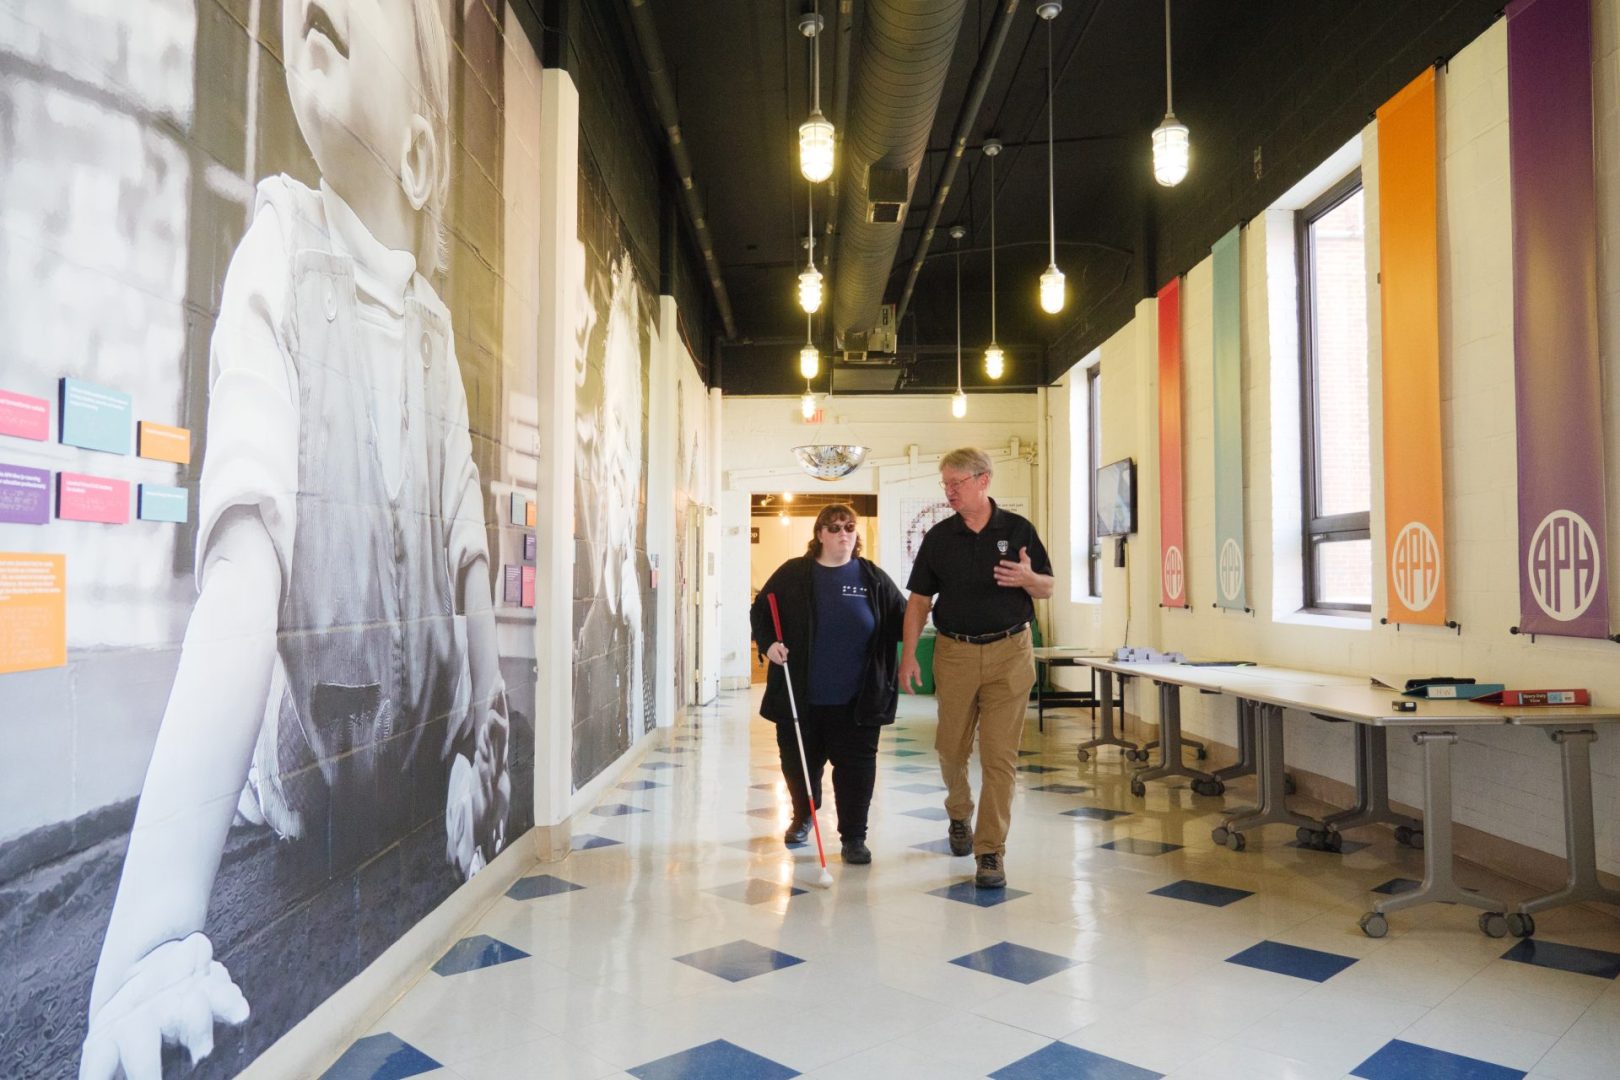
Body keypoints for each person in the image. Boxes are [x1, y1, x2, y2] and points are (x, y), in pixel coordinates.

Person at [81, 3, 510, 1075]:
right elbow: (243, 560)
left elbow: (466, 530)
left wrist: (481, 737)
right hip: (311, 765)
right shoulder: (278, 247)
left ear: (417, 153)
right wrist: (153, 937)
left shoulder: (435, 329)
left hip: (415, 753)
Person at [899, 449, 1053, 889]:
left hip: (1010, 652)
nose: (949, 491)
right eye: (945, 483)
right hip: (955, 652)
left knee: (1000, 756)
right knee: (950, 747)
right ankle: (959, 813)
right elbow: (918, 602)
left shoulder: (1018, 530)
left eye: (957, 483)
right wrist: (909, 655)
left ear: (983, 480)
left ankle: (990, 852)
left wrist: (1028, 580)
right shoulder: (939, 537)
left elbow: (1047, 585)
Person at [750, 504, 907, 864]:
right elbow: (761, 609)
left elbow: (901, 618)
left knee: (857, 770)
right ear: (819, 534)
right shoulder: (794, 573)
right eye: (834, 528)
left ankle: (854, 837)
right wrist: (769, 643)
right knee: (799, 765)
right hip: (801, 697)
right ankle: (803, 816)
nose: (843, 534)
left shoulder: (872, 577)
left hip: (858, 700)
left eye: (849, 527)